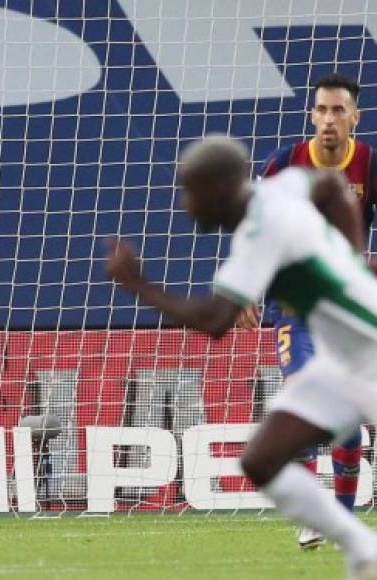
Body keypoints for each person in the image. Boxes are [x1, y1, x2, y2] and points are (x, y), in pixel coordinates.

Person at [107, 136, 377, 578]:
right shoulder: (285, 185)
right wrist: (352, 255)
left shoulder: (260, 230)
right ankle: (363, 548)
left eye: (189, 190)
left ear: (218, 188)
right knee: (260, 459)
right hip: (341, 364)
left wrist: (138, 286)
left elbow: (215, 320)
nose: (185, 202)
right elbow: (330, 185)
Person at [247, 73, 377, 548]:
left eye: (338, 110)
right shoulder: (284, 164)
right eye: (321, 110)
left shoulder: (369, 165)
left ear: (354, 118)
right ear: (311, 115)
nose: (328, 119)